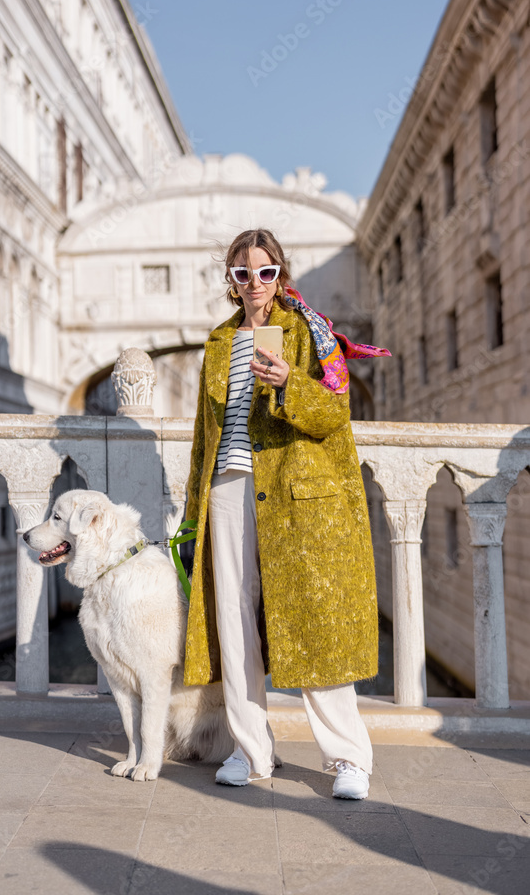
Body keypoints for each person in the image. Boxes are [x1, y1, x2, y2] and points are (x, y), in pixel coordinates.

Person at [183, 228, 379, 799]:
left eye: (264, 271)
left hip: (295, 491)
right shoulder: (219, 342)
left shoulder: (308, 331)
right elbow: (205, 431)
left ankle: (347, 758)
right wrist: (194, 507)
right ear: (231, 280)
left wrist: (290, 383)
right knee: (234, 621)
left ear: (280, 275)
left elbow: (335, 414)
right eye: (242, 273)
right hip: (227, 487)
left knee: (316, 617)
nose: (254, 284)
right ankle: (252, 750)